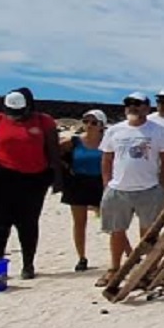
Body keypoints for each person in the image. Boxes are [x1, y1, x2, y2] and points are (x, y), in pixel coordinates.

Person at [0, 89, 63, 280]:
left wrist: (58, 178)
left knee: (27, 222)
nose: (17, 117)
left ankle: (28, 265)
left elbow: (54, 151)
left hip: (34, 179)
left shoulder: (44, 121)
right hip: (0, 176)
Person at [99, 92, 164, 283]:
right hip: (119, 189)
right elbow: (107, 158)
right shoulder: (115, 130)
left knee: (149, 233)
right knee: (117, 231)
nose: (133, 107)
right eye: (129, 103)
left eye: (138, 104)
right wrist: (107, 183)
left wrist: (161, 183)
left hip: (149, 189)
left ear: (146, 107)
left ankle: (149, 269)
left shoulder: (158, 131)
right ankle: (114, 269)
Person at [59, 109, 107, 272]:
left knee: (111, 221)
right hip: (78, 183)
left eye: (93, 123)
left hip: (100, 183)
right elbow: (54, 153)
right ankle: (81, 257)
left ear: (102, 125)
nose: (89, 125)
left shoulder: (108, 143)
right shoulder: (73, 141)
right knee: (79, 223)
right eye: (86, 121)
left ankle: (127, 253)